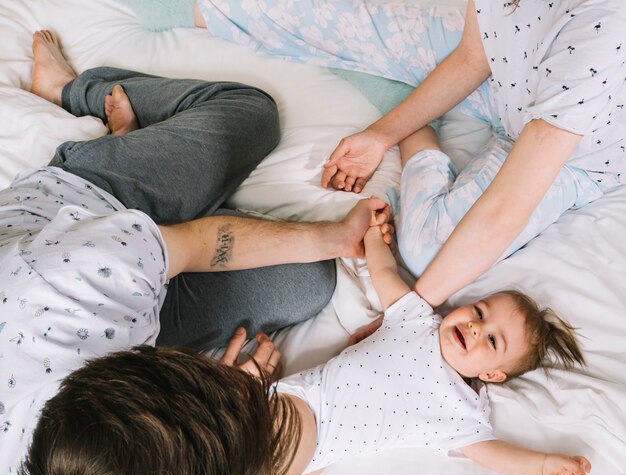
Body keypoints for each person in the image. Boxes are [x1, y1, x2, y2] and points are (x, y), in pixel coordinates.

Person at [21, 191, 590, 475]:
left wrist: (542, 464)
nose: (474, 325)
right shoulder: (419, 318)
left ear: (492, 377)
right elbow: (385, 273)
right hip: (303, 407)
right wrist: (371, 236)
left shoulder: (461, 414)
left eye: (493, 342)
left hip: (321, 446)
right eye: (481, 311)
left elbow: (488, 452)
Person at [0, 30, 391, 475]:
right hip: (127, 283)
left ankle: (76, 92)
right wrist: (222, 402)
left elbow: (203, 243)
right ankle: (153, 173)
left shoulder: (75, 282)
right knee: (307, 285)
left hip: (85, 208)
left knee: (252, 114)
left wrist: (336, 236)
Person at [193, 0, 626, 304]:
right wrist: (380, 135)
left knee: (427, 254)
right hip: (508, 86)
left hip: (570, 155)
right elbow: (473, 56)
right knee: (350, 23)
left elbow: (510, 204)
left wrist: (407, 317)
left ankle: (420, 137)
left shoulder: (605, 22)